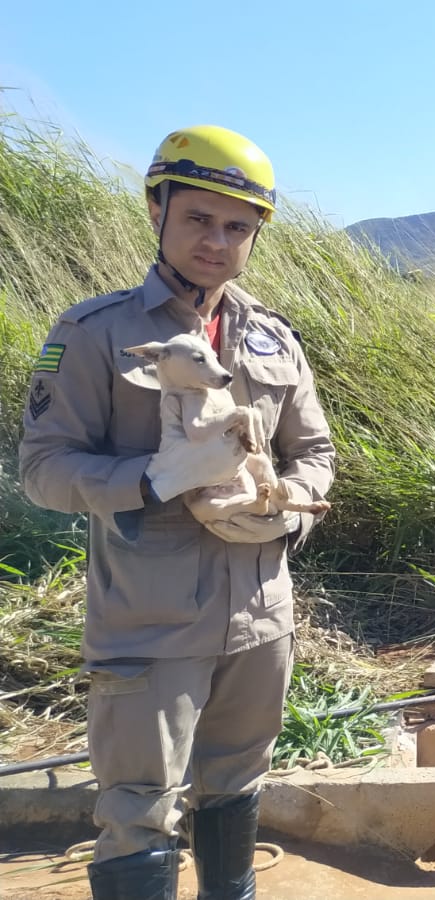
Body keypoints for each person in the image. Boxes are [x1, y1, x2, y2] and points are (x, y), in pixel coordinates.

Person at [18, 125, 335, 900]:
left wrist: (283, 510)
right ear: (157, 209)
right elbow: (43, 470)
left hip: (261, 616)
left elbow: (318, 457)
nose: (217, 241)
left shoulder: (272, 338)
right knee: (138, 812)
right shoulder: (98, 333)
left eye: (237, 227)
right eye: (198, 218)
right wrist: (154, 480)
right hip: (148, 624)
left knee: (236, 785)